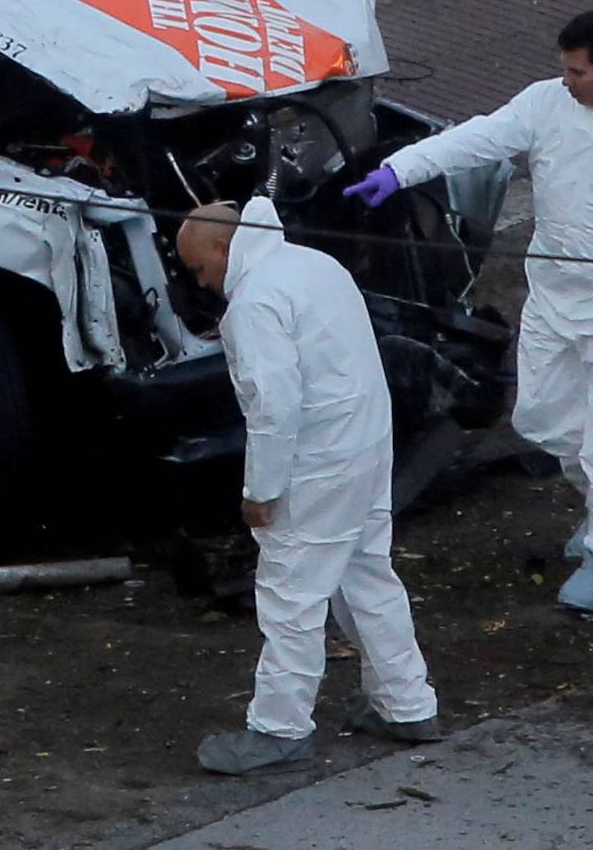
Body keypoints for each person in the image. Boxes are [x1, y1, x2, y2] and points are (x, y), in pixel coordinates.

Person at [346, 10, 593, 612]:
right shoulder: (548, 104)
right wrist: (399, 170)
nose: (567, 81)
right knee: (545, 418)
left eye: (578, 71)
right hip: (555, 297)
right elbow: (480, 136)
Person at [177, 198, 437, 774]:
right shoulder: (313, 263)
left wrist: (259, 491)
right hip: (367, 445)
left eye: (200, 269)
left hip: (316, 463)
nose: (203, 283)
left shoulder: (254, 303)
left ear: (223, 248)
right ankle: (407, 704)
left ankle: (279, 730)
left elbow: (274, 407)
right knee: (369, 575)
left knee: (291, 596)